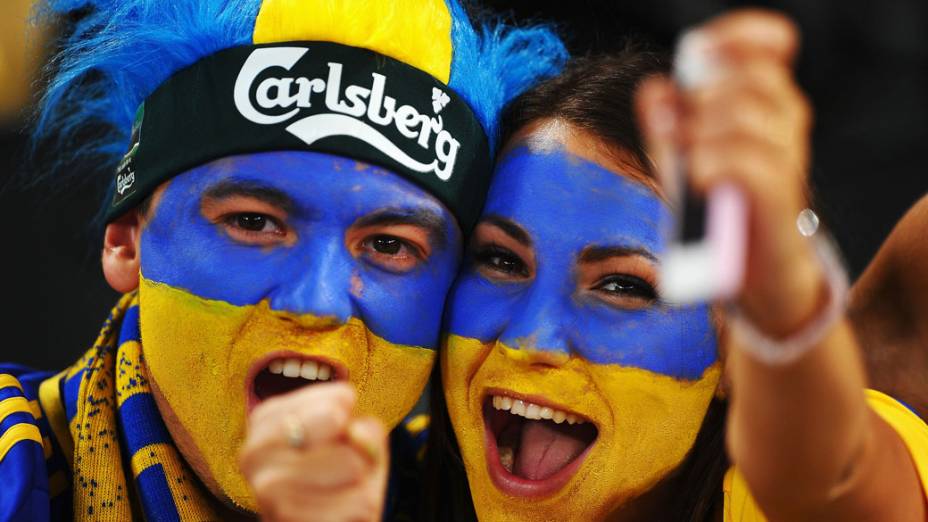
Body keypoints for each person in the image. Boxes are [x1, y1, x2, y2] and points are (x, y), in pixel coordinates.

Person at [0, 0, 565, 520]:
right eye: (252, 222)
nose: (317, 303)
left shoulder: (482, 497)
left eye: (390, 245)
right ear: (126, 241)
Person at [429, 9, 928, 521]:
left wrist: (785, 310)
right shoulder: (384, 461)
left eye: (623, 285)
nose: (529, 340)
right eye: (501, 260)